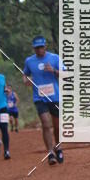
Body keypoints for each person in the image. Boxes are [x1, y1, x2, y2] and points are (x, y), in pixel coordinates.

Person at [23, 36, 64, 165]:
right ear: (33, 48)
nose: (39, 50)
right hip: (39, 97)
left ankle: (58, 147)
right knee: (46, 124)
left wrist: (54, 71)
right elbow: (25, 74)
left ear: (45, 46)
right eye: (36, 48)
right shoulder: (29, 61)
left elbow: (66, 74)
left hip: (54, 97)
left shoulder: (54, 58)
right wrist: (26, 81)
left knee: (57, 126)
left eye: (41, 47)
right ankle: (50, 153)